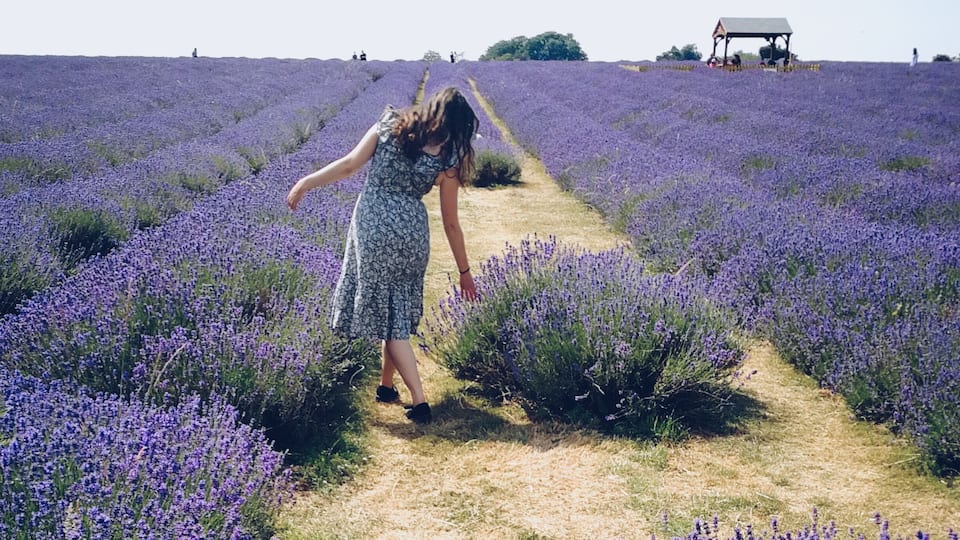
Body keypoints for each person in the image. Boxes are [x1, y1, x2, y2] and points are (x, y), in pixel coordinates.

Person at [286, 87, 480, 424]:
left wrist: (306, 182)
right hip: (412, 232)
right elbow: (451, 222)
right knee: (397, 307)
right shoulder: (448, 156)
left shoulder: (389, 125)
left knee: (390, 316)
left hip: (374, 223)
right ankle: (386, 386)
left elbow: (348, 166)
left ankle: (420, 402)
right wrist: (464, 271)